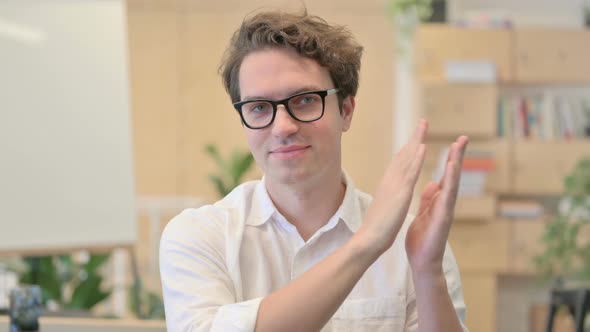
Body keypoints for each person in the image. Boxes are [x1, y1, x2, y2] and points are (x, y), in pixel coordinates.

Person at [160, 9, 469, 332]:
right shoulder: (201, 236)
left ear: (346, 111)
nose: (282, 126)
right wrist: (366, 244)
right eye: (259, 108)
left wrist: (427, 270)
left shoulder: (413, 244)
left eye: (305, 100)